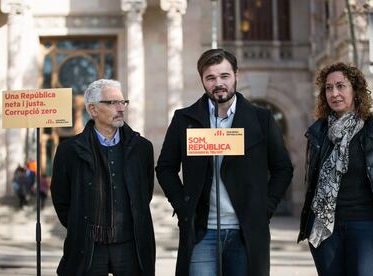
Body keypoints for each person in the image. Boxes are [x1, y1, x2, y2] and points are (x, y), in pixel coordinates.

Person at [156, 48, 293, 276]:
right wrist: (182, 206)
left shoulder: (261, 119)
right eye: (210, 78)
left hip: (245, 232)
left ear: (236, 75)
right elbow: (165, 169)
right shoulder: (184, 119)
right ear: (202, 80)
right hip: (201, 233)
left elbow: (283, 169)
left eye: (224, 76)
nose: (218, 83)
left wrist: (265, 207)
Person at [298, 62, 373, 276]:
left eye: (341, 86)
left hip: (367, 227)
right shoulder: (318, 133)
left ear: (355, 91)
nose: (334, 93)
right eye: (328, 88)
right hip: (325, 228)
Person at [51, 79, 155, 276]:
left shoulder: (142, 148)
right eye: (113, 103)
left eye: (123, 102)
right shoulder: (69, 151)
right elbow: (61, 199)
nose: (121, 108)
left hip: (130, 246)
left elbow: (144, 193)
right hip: (88, 247)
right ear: (93, 110)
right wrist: (80, 224)